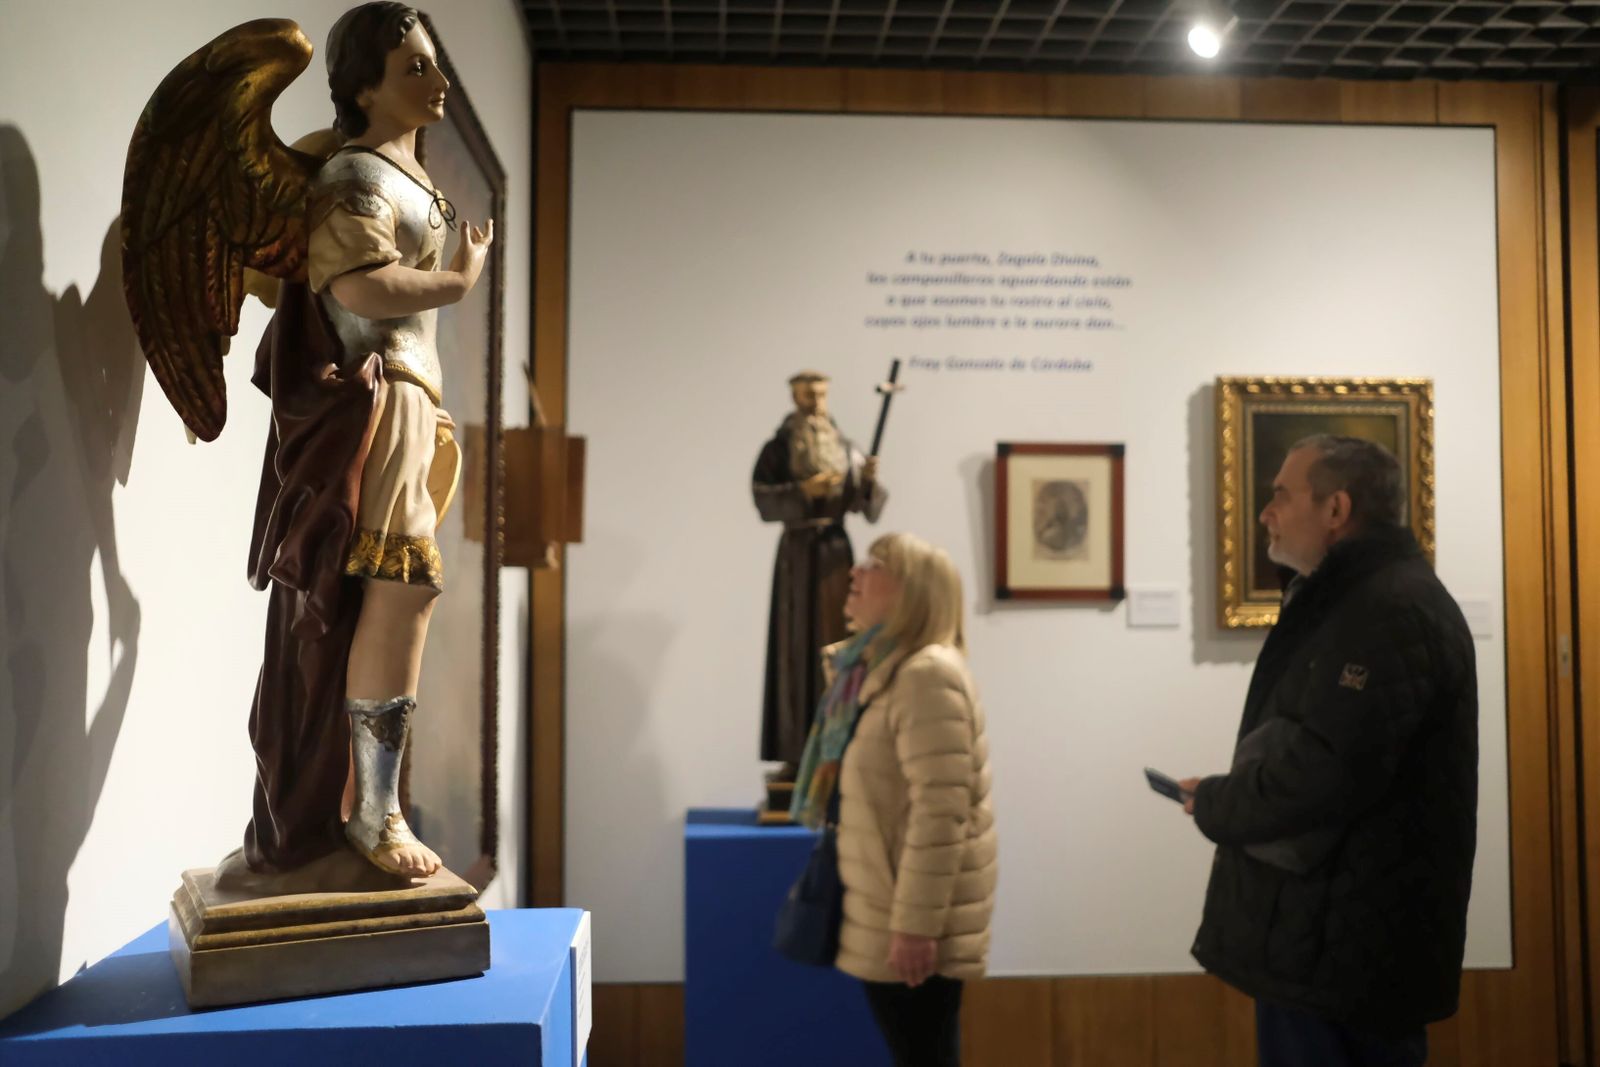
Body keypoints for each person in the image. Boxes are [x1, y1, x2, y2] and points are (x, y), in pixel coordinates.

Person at [244, 2, 492, 881]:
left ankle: (374, 807)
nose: (437, 83)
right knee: (399, 592)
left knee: (400, 596)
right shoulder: (355, 175)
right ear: (362, 86)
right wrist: (457, 281)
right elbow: (358, 286)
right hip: (375, 406)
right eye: (414, 69)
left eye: (433, 65)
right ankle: (375, 815)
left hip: (410, 405)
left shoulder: (401, 176)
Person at [1178, 436, 1477, 1067]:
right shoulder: (1361, 599)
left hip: (1344, 950)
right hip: (1331, 941)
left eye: (1281, 495)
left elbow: (1325, 773)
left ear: (1335, 509)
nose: (1266, 513)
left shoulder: (1388, 608)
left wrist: (1219, 803)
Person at [790, 532, 996, 1067]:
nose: (855, 573)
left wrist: (916, 926)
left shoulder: (926, 676)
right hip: (886, 910)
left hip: (908, 923)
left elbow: (941, 812)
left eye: (875, 565)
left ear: (913, 592)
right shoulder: (880, 671)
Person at [752, 371, 886, 779]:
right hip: (797, 556)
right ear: (795, 396)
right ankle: (796, 749)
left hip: (834, 553)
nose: (817, 401)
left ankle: (837, 745)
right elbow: (762, 498)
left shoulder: (847, 447)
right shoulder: (779, 448)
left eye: (822, 394)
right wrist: (802, 494)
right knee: (796, 648)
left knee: (838, 640)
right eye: (809, 394)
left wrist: (868, 482)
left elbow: (871, 507)